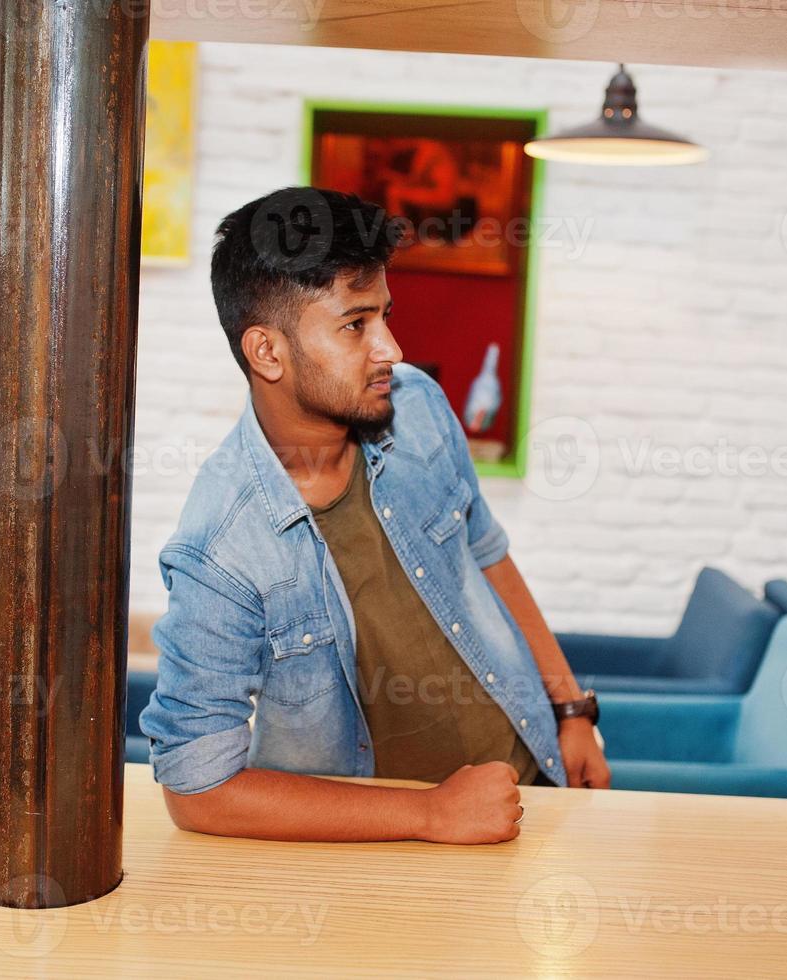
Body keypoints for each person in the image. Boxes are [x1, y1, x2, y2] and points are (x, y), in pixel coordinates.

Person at [138, 187, 610, 845]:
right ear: (266, 352)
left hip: (530, 780)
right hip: (387, 850)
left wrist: (569, 711)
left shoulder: (417, 406)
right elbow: (198, 791)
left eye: (385, 314)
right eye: (355, 325)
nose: (389, 348)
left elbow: (486, 552)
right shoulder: (220, 546)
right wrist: (428, 815)